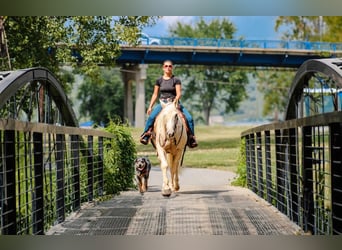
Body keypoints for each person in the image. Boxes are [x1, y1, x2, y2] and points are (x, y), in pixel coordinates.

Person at [140, 60, 198, 148]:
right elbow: (155, 94)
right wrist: (150, 107)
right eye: (166, 66)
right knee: (151, 117)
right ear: (163, 68)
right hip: (163, 103)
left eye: (170, 66)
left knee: (189, 118)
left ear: (172, 68)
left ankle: (191, 137)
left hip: (174, 103)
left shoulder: (176, 80)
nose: (168, 68)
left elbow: (179, 93)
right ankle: (146, 135)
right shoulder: (159, 80)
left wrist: (176, 100)